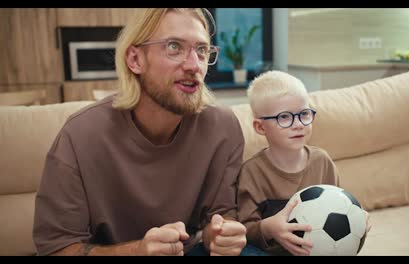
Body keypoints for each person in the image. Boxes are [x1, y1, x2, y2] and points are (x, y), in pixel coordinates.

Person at [33, 8, 251, 256]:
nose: (194, 65)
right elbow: (56, 248)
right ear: (135, 59)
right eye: (173, 47)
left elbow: (220, 218)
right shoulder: (79, 135)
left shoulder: (223, 128)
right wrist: (137, 251)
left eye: (201, 50)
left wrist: (220, 236)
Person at [236, 71, 371, 256]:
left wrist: (357, 216)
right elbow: (244, 229)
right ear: (260, 127)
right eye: (284, 117)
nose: (298, 124)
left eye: (304, 114)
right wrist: (268, 228)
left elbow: (339, 204)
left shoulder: (322, 161)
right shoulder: (251, 172)